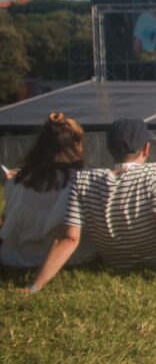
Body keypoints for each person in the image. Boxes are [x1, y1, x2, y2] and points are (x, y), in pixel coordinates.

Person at [24, 118, 156, 292]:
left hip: (116, 265)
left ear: (108, 148)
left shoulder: (82, 180)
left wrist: (34, 286)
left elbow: (68, 239)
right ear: (146, 148)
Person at [1, 113, 96, 269]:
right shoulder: (86, 177)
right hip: (73, 256)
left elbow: (6, 220)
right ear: (76, 144)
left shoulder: (20, 179)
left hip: (16, 256)